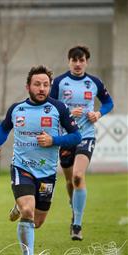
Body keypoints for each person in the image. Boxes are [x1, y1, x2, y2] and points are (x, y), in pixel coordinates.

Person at [0, 65, 81, 255]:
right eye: (37, 84)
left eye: (46, 85)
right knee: (28, 211)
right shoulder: (16, 109)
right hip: (22, 167)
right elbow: (4, 128)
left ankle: (18, 206)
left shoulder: (59, 108)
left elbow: (76, 136)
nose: (42, 88)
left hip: (47, 172)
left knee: (37, 222)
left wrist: (54, 140)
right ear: (28, 86)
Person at [50, 46, 114, 241]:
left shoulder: (94, 82)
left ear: (87, 62)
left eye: (82, 60)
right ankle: (74, 205)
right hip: (66, 137)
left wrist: (98, 113)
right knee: (70, 181)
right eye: (74, 60)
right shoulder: (59, 82)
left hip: (86, 135)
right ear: (69, 61)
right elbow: (49, 106)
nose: (78, 64)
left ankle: (77, 224)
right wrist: (67, 114)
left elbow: (108, 102)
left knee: (78, 176)